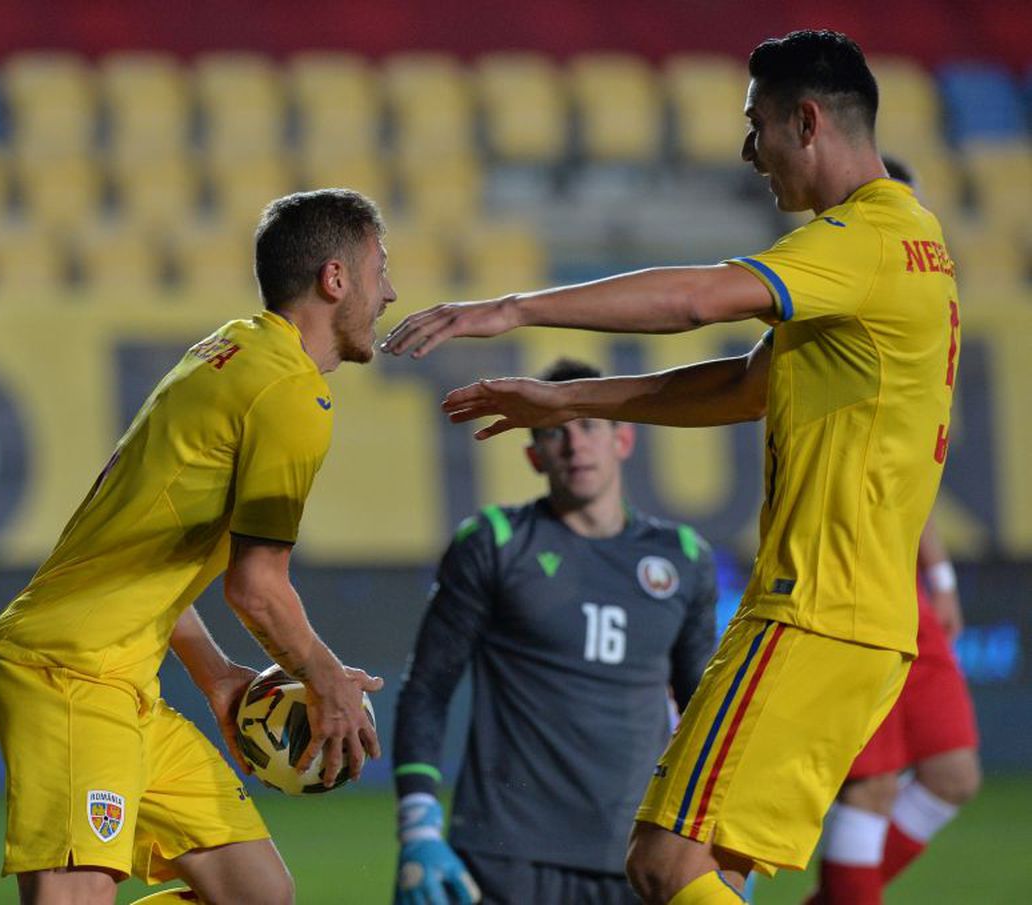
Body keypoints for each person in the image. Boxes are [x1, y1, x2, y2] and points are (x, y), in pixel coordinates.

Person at [381, 30, 961, 905]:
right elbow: (743, 384)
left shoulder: (862, 238)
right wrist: (573, 401)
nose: (747, 151)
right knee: (714, 867)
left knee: (665, 865)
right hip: (864, 619)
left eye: (755, 124)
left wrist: (513, 307)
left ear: (806, 121)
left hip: (812, 608)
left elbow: (695, 301)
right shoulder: (913, 243)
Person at [0, 188, 396, 905]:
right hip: (70, 670)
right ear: (336, 279)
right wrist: (326, 680)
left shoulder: (228, 350)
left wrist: (216, 677)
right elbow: (256, 587)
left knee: (255, 892)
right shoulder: (288, 395)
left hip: (124, 679)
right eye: (380, 269)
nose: (391, 292)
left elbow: (144, 545)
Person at [392, 357, 719, 905]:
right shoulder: (494, 542)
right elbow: (427, 688)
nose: (575, 445)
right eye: (554, 433)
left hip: (638, 858)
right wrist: (418, 827)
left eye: (589, 424)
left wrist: (722, 834)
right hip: (504, 858)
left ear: (623, 439)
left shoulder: (684, 559)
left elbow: (701, 712)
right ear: (533, 454)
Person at [805, 156, 981, 905]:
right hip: (849, 572)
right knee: (870, 785)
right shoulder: (840, 300)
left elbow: (910, 471)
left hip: (904, 575)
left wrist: (937, 574)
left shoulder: (917, 306)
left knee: (952, 774)